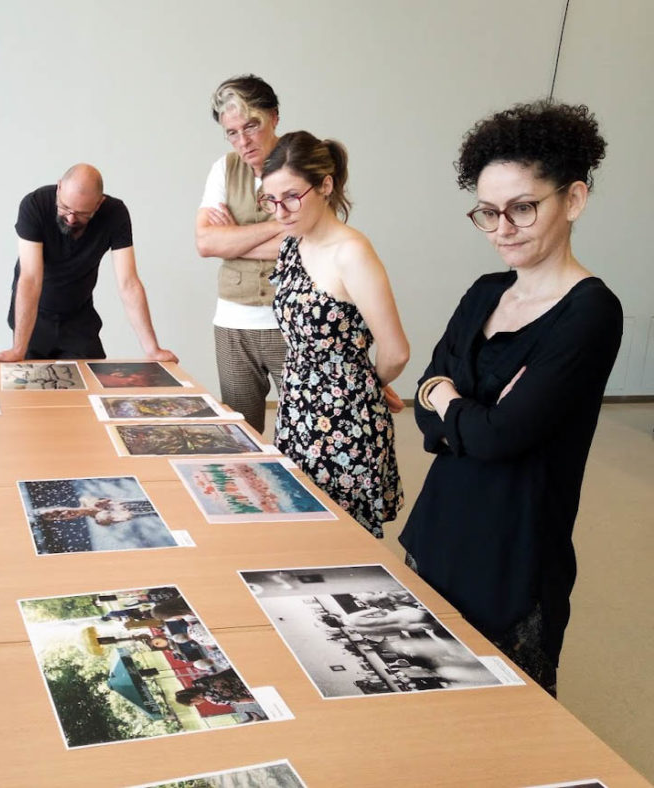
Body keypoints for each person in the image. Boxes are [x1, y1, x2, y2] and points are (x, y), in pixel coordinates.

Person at [399, 102, 622, 697]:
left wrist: (450, 400)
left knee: (505, 722)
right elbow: (426, 404)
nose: (503, 228)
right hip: (438, 532)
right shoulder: (485, 291)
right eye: (488, 212)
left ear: (572, 200)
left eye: (523, 207)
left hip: (514, 555)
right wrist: (461, 408)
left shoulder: (591, 312)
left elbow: (502, 436)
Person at [260, 131, 409, 537]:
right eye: (271, 200)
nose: (281, 210)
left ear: (325, 185)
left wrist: (365, 385)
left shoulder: (352, 253)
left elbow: (395, 351)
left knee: (341, 540)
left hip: (343, 420)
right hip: (297, 408)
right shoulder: (294, 244)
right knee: (298, 527)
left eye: (291, 196)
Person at [0, 164, 176, 363]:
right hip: (35, 317)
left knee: (90, 385)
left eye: (81, 213)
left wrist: (153, 349)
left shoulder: (115, 214)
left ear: (98, 204)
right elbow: (30, 278)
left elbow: (128, 283)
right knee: (31, 389)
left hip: (78, 318)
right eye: (65, 207)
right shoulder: (35, 205)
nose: (70, 218)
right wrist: (18, 350)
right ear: (59, 188)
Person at [195, 75, 290, 433]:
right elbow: (206, 243)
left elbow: (309, 241)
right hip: (233, 321)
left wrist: (234, 236)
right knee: (241, 434)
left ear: (274, 117)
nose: (244, 141)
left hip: (291, 321)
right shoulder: (223, 168)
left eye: (252, 126)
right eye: (232, 132)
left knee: (303, 433)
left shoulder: (302, 163)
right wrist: (279, 226)